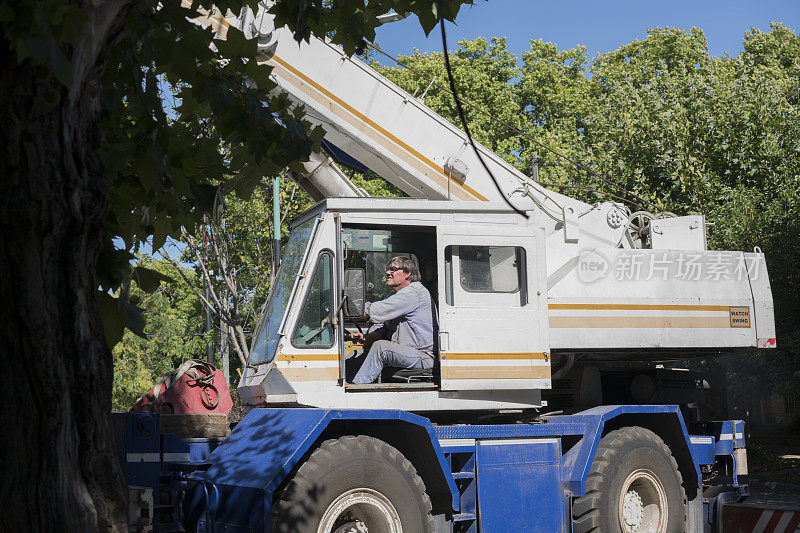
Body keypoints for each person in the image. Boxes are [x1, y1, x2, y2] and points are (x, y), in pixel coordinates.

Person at [350, 256, 434, 384]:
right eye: (388, 269)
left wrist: (350, 307)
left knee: (381, 348)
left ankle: (354, 393)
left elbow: (373, 311)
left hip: (421, 355)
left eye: (393, 269)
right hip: (403, 354)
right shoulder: (394, 295)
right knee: (353, 355)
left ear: (408, 273)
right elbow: (383, 328)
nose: (388, 272)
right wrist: (365, 339)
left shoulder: (414, 293)